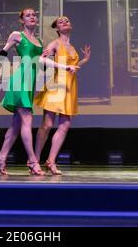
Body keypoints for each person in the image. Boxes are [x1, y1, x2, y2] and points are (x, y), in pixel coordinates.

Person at [0, 8, 53, 176]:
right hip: (20, 80)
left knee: (15, 125)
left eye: (34, 15)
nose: (32, 17)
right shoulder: (17, 35)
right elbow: (3, 53)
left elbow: (39, 66)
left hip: (30, 83)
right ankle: (33, 161)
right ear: (22, 20)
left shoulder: (40, 41)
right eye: (28, 15)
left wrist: (45, 56)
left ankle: (2, 156)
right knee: (27, 119)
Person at [33, 16, 91, 175]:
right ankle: (34, 161)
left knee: (65, 125)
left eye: (67, 20)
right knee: (47, 125)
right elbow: (42, 60)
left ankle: (51, 161)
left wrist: (84, 60)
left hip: (69, 87)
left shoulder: (71, 46)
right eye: (61, 21)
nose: (65, 22)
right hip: (56, 85)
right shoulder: (55, 43)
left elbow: (72, 67)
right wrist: (46, 56)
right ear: (57, 28)